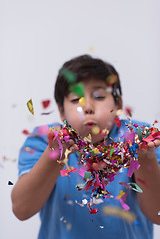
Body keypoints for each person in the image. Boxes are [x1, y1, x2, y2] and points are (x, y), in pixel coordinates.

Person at [11, 55, 160, 239]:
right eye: (75, 100)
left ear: (118, 104)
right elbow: (21, 210)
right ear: (61, 111)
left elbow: (158, 214)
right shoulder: (42, 140)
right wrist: (56, 154)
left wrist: (145, 158)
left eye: (99, 96)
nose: (88, 107)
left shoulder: (140, 138)